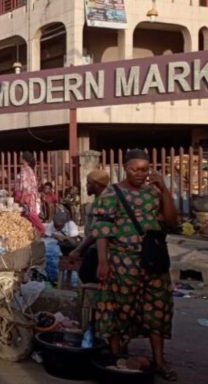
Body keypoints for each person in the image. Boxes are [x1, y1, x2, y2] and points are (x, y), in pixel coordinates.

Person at [91, 149, 178, 381]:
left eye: (145, 169)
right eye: (135, 169)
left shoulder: (154, 191)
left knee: (157, 308)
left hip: (154, 260)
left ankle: (159, 360)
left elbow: (171, 220)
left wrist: (165, 190)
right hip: (122, 261)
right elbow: (102, 231)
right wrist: (102, 262)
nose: (141, 174)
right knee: (120, 308)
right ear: (124, 168)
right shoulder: (112, 193)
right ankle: (115, 357)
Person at [15, 152, 46, 235]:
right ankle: (34, 233)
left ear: (24, 159)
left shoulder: (24, 170)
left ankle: (42, 230)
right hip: (31, 196)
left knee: (31, 215)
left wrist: (22, 198)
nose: (19, 158)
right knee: (29, 214)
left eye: (21, 157)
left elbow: (25, 186)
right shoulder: (30, 170)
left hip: (26, 196)